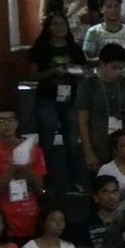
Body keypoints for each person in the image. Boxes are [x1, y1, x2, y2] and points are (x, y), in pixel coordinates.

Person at [27, 14, 89, 194]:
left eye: (63, 23)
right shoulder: (40, 49)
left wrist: (74, 72)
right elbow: (31, 75)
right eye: (55, 24)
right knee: (46, 141)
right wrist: (52, 72)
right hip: (47, 98)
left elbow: (84, 70)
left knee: (72, 141)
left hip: (70, 98)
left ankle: (74, 181)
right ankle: (47, 180)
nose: (60, 27)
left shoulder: (74, 48)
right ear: (48, 27)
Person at [0, 107, 47, 243]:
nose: (6, 124)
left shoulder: (33, 149)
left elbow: (41, 190)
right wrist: (11, 169)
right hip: (4, 223)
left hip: (31, 216)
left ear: (17, 123)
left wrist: (26, 168)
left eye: (10, 120)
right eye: (1, 120)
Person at [77, 43, 125, 172]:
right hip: (98, 142)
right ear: (102, 63)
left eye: (121, 68)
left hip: (123, 142)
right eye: (114, 68)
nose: (118, 72)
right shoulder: (89, 85)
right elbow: (82, 121)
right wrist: (88, 152)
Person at [82, 0, 125, 72]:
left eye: (117, 6)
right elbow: (87, 59)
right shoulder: (93, 32)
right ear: (101, 9)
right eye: (109, 6)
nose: (113, 10)